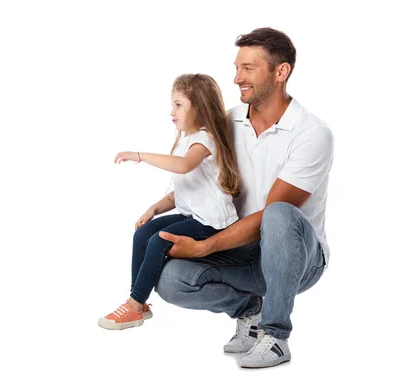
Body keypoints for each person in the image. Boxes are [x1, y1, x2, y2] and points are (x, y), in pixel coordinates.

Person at [155, 28, 334, 368]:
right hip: (239, 251)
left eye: (248, 69)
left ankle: (276, 335)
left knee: (279, 213)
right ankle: (250, 314)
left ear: (281, 72)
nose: (237, 78)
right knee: (169, 279)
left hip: (297, 260)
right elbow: (204, 179)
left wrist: (205, 247)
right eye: (237, 68)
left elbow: (273, 215)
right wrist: (163, 204)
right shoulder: (227, 121)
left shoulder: (312, 133)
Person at [98, 74, 241, 331]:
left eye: (178, 105)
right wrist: (154, 208)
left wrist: (140, 155)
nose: (171, 112)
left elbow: (184, 167)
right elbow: (183, 190)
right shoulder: (186, 140)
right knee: (143, 234)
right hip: (191, 215)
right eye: (172, 105)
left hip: (211, 222)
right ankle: (138, 303)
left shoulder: (204, 139)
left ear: (198, 106)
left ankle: (134, 304)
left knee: (158, 240)